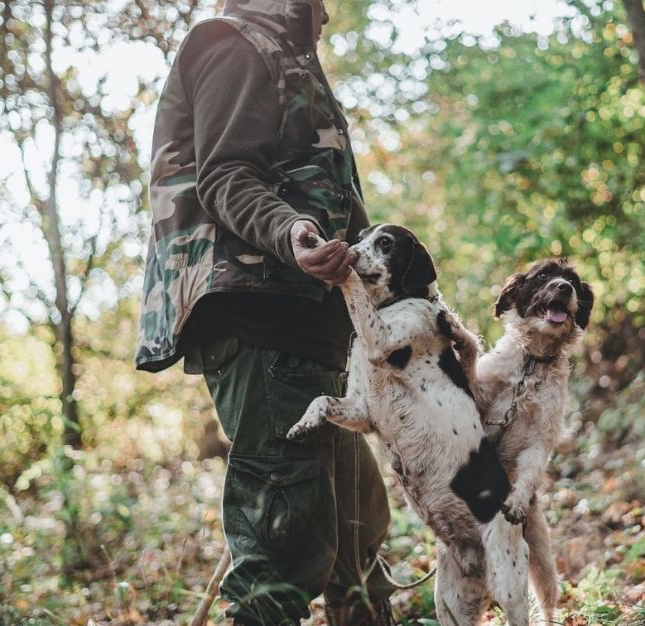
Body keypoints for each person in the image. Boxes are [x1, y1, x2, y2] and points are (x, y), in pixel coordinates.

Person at [135, 0, 395, 623]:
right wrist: (292, 233)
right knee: (285, 554)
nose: (328, 14)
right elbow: (225, 175)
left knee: (358, 544)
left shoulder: (290, 60)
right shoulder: (231, 43)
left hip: (312, 336)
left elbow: (339, 205)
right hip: (265, 324)